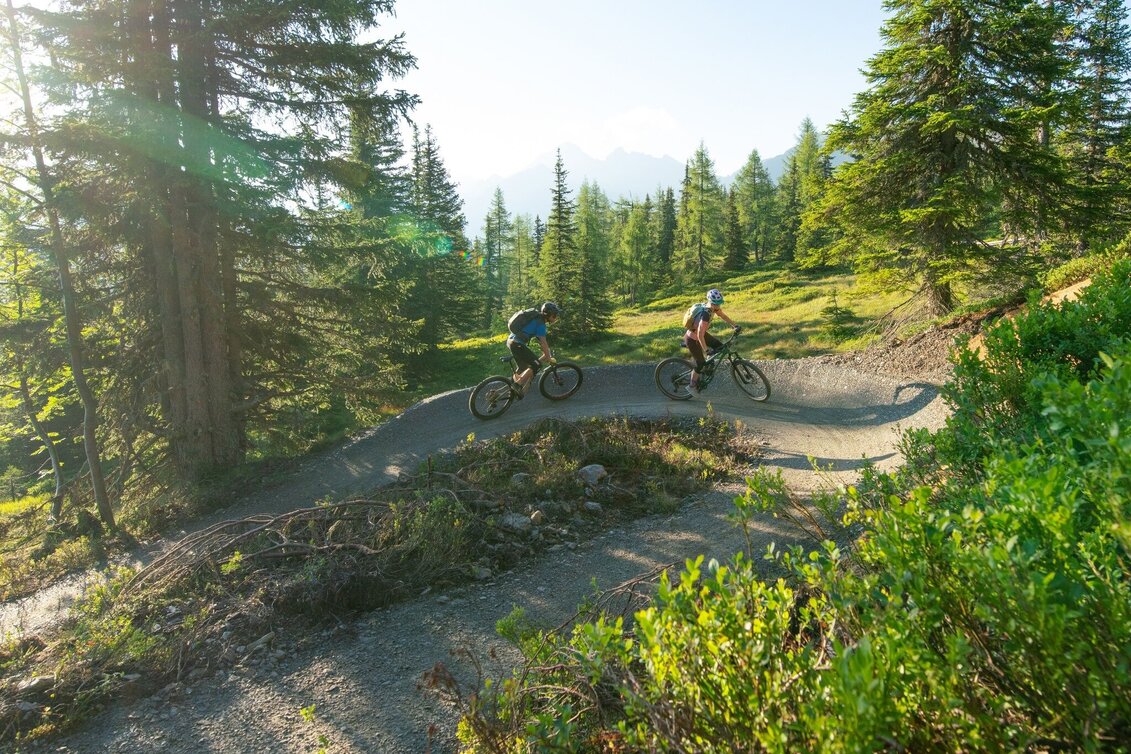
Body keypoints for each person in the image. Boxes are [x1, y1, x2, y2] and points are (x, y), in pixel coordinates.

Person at [684, 288, 740, 392]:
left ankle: (708, 365)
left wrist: (735, 325)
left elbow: (723, 316)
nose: (718, 305)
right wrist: (706, 350)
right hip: (692, 339)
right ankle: (692, 386)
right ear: (711, 302)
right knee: (700, 364)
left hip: (701, 335)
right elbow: (700, 335)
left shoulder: (714, 309)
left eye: (719, 303)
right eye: (716, 303)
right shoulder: (705, 315)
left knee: (720, 347)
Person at [507, 301, 560, 398]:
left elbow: (540, 342)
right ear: (548, 315)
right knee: (537, 365)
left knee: (523, 368)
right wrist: (548, 358)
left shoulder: (536, 318)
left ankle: (508, 391)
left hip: (511, 342)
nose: (556, 317)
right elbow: (543, 342)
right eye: (554, 315)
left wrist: (546, 353)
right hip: (517, 344)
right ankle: (517, 384)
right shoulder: (541, 324)